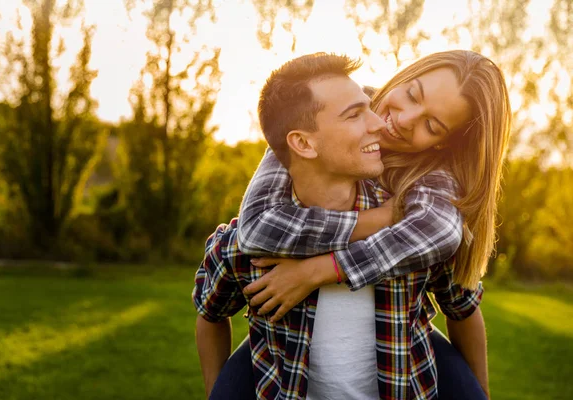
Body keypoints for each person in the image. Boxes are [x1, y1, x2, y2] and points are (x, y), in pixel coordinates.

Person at [194, 51, 510, 399]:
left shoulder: (430, 183)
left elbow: (442, 239)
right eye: (411, 94)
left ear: (443, 143)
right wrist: (379, 219)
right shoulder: (324, 116)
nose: (401, 120)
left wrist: (318, 270)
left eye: (432, 125)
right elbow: (256, 230)